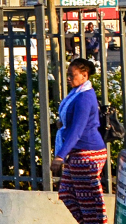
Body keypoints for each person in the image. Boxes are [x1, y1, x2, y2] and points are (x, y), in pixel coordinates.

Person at [52, 57, 107, 224]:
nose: (69, 78)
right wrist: (63, 124)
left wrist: (60, 156)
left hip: (87, 154)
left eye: (72, 75)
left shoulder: (84, 97)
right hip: (78, 153)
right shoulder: (77, 93)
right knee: (66, 193)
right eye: (68, 75)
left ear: (84, 75)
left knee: (88, 202)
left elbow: (77, 130)